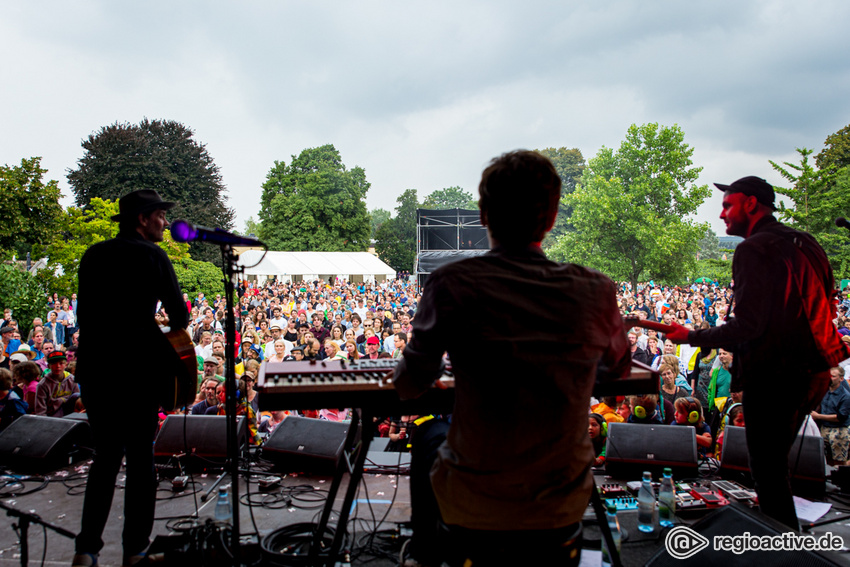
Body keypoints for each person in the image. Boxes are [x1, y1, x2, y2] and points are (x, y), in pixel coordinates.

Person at [393, 150, 630, 566]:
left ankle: (425, 554)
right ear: (552, 217)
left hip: (476, 496)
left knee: (430, 433)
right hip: (561, 497)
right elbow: (617, 369)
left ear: (484, 215)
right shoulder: (594, 289)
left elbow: (409, 384)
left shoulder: (452, 282)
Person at [667, 176, 849, 530]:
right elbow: (825, 303)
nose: (721, 215)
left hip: (777, 374)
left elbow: (749, 327)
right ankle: (780, 531)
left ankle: (782, 549)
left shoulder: (753, 249)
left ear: (751, 204)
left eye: (727, 205)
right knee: (774, 465)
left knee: (767, 470)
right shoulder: (806, 242)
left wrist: (691, 334)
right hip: (815, 372)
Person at [73, 189, 189, 567]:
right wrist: (147, 323)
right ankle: (135, 550)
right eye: (160, 215)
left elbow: (88, 315)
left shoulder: (93, 255)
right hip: (137, 372)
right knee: (141, 460)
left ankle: (86, 550)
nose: (165, 223)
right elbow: (180, 318)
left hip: (95, 368)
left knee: (105, 458)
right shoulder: (153, 256)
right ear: (142, 219)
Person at [811, 367, 850, 467]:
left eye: (833, 376)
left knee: (839, 461)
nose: (830, 378)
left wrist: (818, 416)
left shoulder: (845, 396)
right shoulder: (825, 391)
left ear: (841, 379)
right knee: (824, 458)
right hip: (825, 428)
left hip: (839, 430)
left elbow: (840, 417)